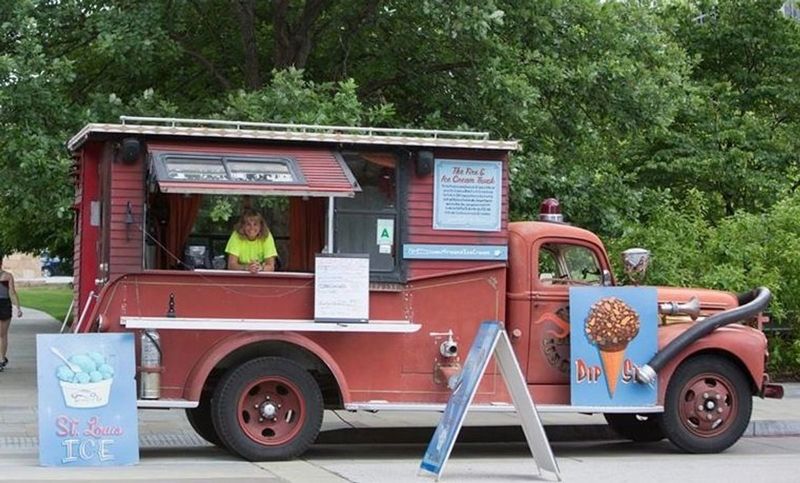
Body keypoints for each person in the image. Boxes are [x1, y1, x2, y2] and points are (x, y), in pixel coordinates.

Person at [225, 209, 278, 273]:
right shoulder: (237, 235)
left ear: (261, 226)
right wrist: (247, 267)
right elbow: (231, 265)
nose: (252, 228)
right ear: (243, 226)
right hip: (240, 275)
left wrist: (260, 268)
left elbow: (271, 266)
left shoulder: (266, 236)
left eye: (255, 224)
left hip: (261, 274)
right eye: (248, 224)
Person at [0, 253, 23, 372]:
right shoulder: (7, 276)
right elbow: (12, 292)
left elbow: (12, 292)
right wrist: (18, 308)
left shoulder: (8, 276)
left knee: (2, 334)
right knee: (2, 335)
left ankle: (1, 359)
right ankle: (2, 359)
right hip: (4, 304)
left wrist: (18, 308)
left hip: (4, 305)